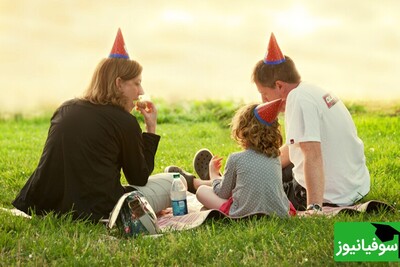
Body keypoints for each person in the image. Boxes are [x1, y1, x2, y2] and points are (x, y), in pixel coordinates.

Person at [12, 29, 184, 222]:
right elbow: (139, 178)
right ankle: (193, 181)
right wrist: (150, 129)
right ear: (119, 83)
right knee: (174, 183)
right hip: (99, 209)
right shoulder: (125, 122)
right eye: (136, 83)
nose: (141, 91)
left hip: (44, 205)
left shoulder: (65, 109)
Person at [251, 33, 370, 213]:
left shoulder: (298, 100)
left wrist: (314, 207)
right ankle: (218, 179)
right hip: (354, 187)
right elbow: (295, 149)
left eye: (264, 93)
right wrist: (257, 161)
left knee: (254, 187)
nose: (263, 101)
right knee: (264, 167)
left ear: (280, 85)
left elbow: (312, 154)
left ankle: (208, 184)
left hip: (330, 195)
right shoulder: (311, 91)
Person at [168, 100, 296, 217]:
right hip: (279, 212)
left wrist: (213, 175)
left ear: (242, 130)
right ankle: (219, 179)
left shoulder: (236, 158)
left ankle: (214, 178)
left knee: (201, 192)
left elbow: (223, 194)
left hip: (243, 213)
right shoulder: (275, 158)